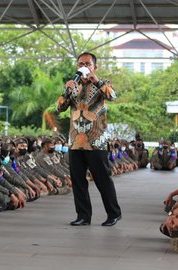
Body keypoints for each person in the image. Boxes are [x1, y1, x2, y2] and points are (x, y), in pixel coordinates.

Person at [57, 52, 122, 226]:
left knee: (102, 179)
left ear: (94, 66)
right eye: (80, 64)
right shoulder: (73, 85)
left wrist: (97, 80)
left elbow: (112, 96)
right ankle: (83, 216)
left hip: (97, 141)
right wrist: (66, 90)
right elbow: (60, 108)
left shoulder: (103, 84)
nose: (83, 66)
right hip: (74, 141)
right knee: (78, 181)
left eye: (87, 63)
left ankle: (114, 213)